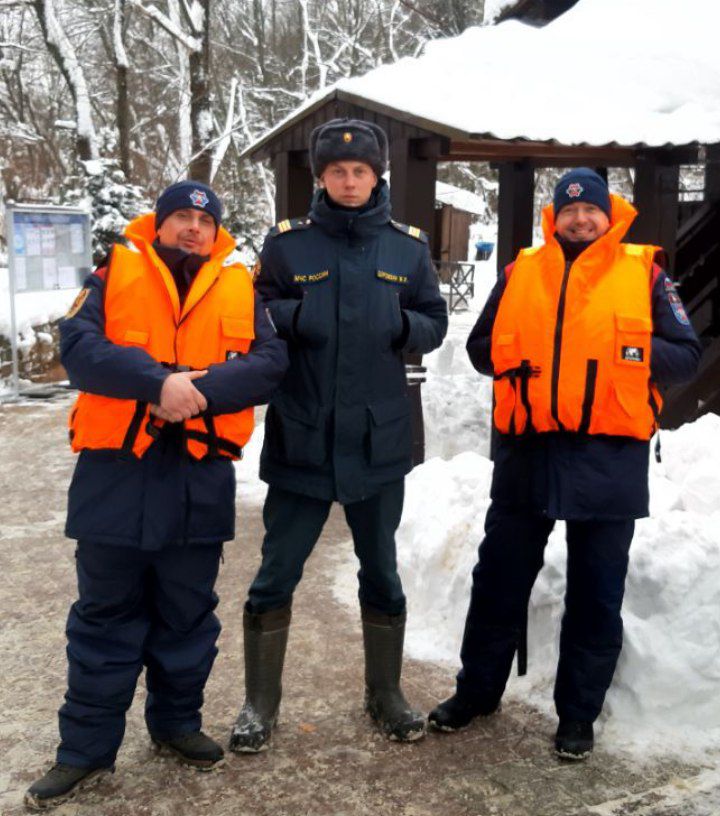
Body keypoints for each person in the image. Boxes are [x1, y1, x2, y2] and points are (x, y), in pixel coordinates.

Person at [25, 181, 288, 810]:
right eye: (181, 217)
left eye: (204, 219)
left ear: (215, 230)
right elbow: (80, 350)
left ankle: (175, 726)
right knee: (104, 619)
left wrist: (197, 391)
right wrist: (157, 385)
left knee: (187, 617)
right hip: (115, 475)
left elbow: (271, 362)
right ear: (160, 222)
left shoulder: (238, 284)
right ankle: (84, 753)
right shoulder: (113, 271)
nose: (193, 228)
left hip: (199, 476)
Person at [428, 168, 702, 759]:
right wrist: (523, 349)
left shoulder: (647, 275)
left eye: (591, 211)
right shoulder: (521, 272)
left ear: (609, 216)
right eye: (569, 210)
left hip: (609, 457)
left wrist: (620, 349)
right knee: (498, 579)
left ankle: (577, 715)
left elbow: (685, 358)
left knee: (595, 592)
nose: (580, 219)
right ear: (554, 217)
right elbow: (481, 350)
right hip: (528, 451)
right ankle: (476, 692)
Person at [229, 118, 448, 752]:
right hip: (302, 435)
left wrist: (401, 324)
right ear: (320, 177)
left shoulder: (407, 248)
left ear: (377, 175)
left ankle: (386, 695)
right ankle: (259, 703)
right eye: (337, 171)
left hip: (377, 442)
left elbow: (434, 319)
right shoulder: (287, 246)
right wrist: (302, 314)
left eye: (360, 171)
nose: (349, 181)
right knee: (276, 573)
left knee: (380, 572)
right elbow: (252, 313)